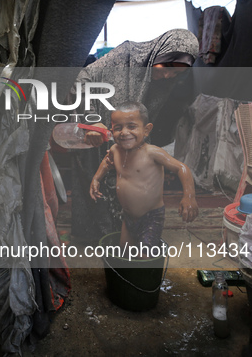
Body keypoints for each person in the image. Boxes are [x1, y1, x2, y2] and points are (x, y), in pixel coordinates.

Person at [66, 29, 199, 243]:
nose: (168, 76)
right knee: (93, 187)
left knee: (127, 186)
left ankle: (124, 235)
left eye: (176, 73)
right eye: (166, 67)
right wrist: (91, 118)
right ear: (158, 53)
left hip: (126, 138)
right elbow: (81, 78)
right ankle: (98, 238)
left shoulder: (164, 81)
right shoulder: (127, 55)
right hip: (96, 132)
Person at [90, 102, 198, 250]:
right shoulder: (115, 149)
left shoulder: (152, 153)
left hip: (151, 217)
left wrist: (189, 197)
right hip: (127, 215)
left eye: (132, 126)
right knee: (125, 251)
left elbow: (181, 168)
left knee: (145, 256)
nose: (124, 132)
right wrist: (96, 178)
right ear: (111, 131)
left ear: (146, 130)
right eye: (118, 128)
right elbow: (106, 163)